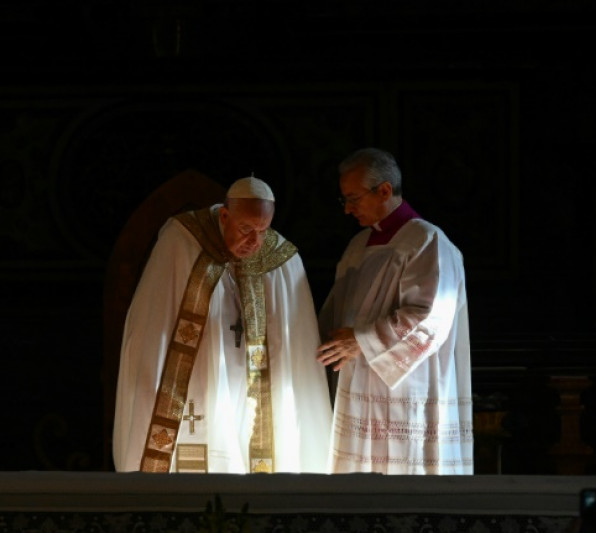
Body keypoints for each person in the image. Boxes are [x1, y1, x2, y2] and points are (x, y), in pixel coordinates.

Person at [113, 176, 332, 473]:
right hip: (199, 373)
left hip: (251, 380)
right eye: (246, 229)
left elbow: (296, 343)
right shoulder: (182, 241)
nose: (255, 242)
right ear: (225, 216)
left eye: (263, 231)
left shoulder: (280, 258)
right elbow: (151, 324)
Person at [316, 147, 473, 474]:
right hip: (357, 383)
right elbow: (336, 311)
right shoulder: (358, 245)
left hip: (406, 387)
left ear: (384, 190)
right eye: (344, 199)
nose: (347, 209)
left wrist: (361, 341)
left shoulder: (427, 241)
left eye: (354, 198)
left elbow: (429, 318)